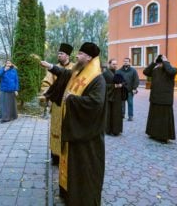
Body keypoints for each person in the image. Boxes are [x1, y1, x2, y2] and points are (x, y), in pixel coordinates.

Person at [40, 42, 106, 206]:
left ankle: (84, 200)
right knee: (73, 168)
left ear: (89, 58)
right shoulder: (79, 71)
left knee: (85, 170)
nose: (77, 56)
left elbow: (96, 104)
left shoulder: (97, 79)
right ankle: (71, 195)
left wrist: (71, 99)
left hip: (87, 137)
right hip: (75, 133)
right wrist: (50, 67)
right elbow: (65, 73)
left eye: (81, 54)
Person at [40, 43, 74, 165]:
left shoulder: (74, 68)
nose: (59, 55)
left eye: (61, 54)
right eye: (58, 53)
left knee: (68, 129)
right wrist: (46, 95)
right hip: (57, 106)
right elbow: (46, 83)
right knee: (56, 129)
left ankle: (67, 157)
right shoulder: (53, 68)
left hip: (70, 105)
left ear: (68, 55)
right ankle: (55, 157)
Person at [143, 55, 177, 143]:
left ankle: (163, 137)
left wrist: (166, 61)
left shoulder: (172, 70)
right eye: (159, 63)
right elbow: (145, 72)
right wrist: (153, 63)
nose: (159, 64)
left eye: (161, 63)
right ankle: (153, 133)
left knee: (164, 120)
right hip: (155, 98)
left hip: (165, 100)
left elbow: (170, 72)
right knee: (154, 118)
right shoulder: (155, 70)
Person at [102, 59, 125, 136]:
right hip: (109, 97)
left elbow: (124, 82)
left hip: (118, 97)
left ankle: (117, 130)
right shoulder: (105, 74)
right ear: (109, 64)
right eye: (113, 64)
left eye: (116, 64)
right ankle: (108, 130)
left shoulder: (117, 73)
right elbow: (102, 86)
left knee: (117, 114)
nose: (115, 66)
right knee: (109, 114)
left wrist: (122, 84)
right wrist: (114, 86)